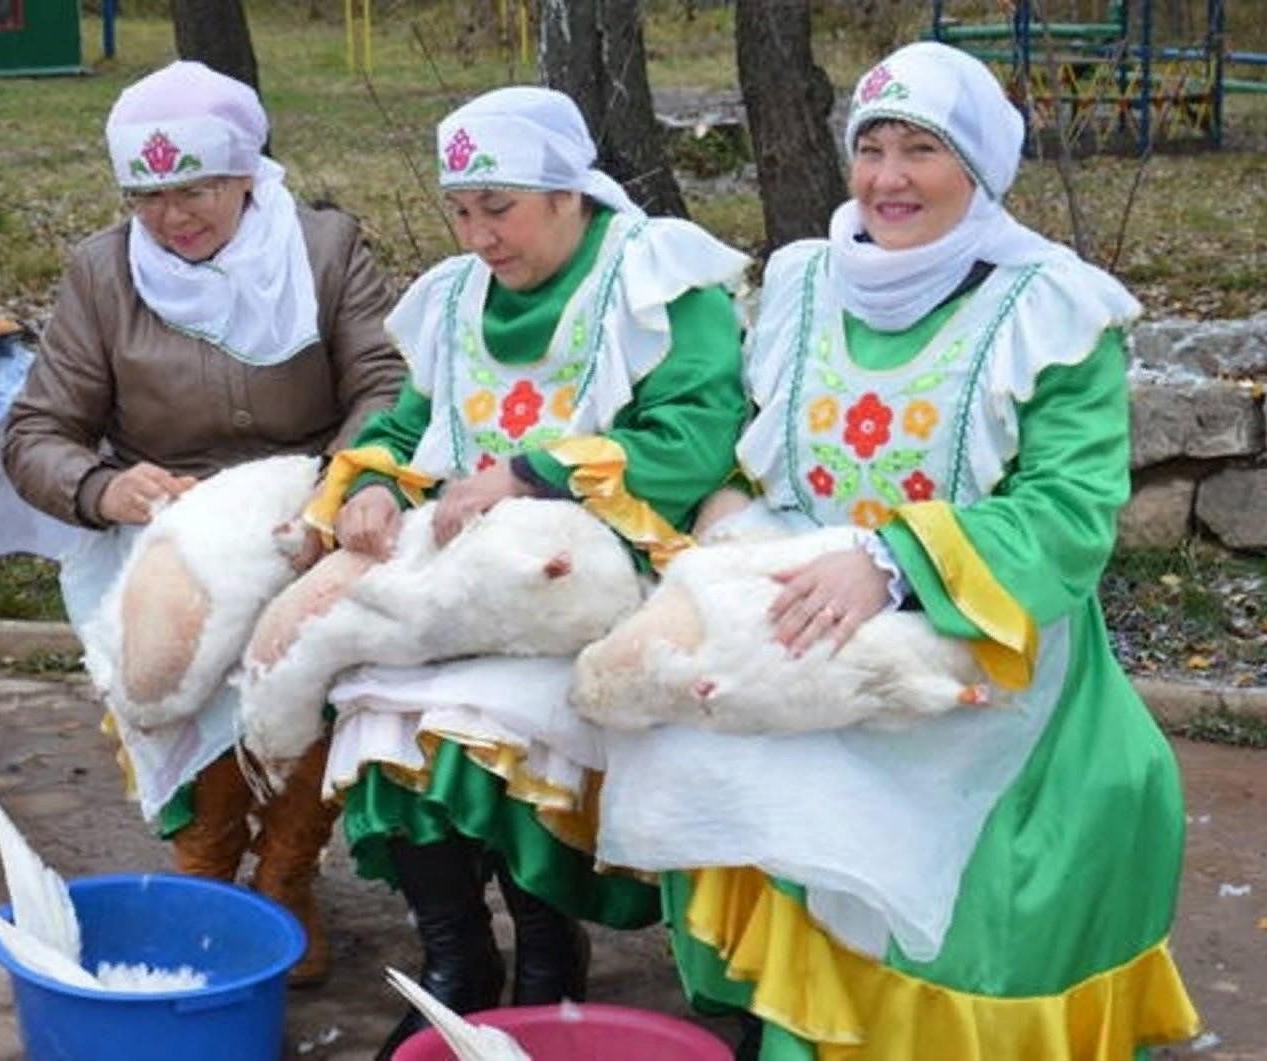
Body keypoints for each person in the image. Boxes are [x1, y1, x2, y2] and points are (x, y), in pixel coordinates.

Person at [596, 42, 1200, 1059]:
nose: (885, 177)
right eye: (869, 147)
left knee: (946, 853)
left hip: (978, 633)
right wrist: (727, 513)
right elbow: (763, 452)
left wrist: (889, 563)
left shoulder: (1052, 308)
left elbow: (1068, 510)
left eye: (920, 148)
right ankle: (787, 1020)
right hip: (802, 614)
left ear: (980, 168)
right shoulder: (800, 283)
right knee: (700, 735)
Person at [299, 86, 750, 1056]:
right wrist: (370, 485)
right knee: (378, 704)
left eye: (496, 208)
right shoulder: (456, 298)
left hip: (593, 577)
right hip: (458, 587)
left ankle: (548, 952)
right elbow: (405, 426)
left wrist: (532, 471)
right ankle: (456, 957)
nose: (476, 236)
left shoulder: (653, 282)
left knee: (483, 722)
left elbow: (696, 437)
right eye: (458, 209)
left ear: (566, 193)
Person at [1, 60, 403, 985]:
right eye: (147, 197)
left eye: (195, 191)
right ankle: (207, 864)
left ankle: (287, 875)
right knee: (171, 660)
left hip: (311, 508)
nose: (172, 217)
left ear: (246, 178)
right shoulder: (103, 274)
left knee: (311, 649)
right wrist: (108, 489)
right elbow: (38, 431)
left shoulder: (325, 249)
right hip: (165, 521)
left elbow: (385, 384)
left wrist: (335, 491)